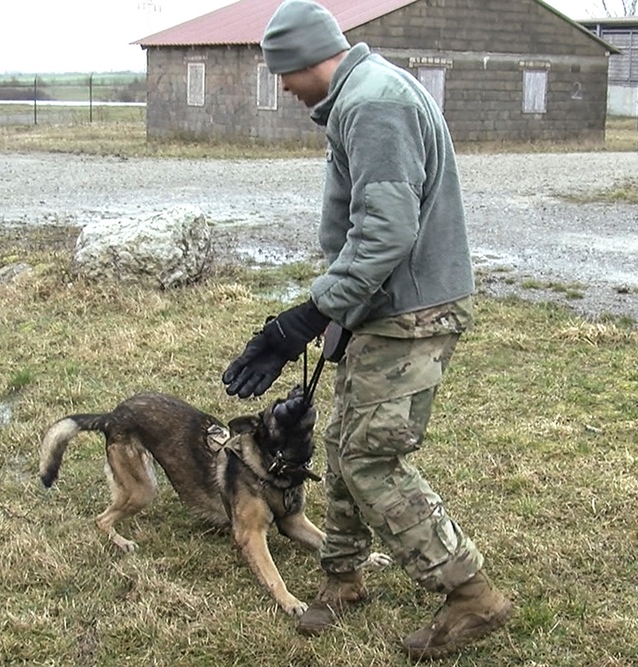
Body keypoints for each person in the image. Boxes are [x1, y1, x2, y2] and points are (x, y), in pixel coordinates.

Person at [220, 0, 511, 659]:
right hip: (381, 307)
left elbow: (385, 233)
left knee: (370, 456)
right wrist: (335, 315)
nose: (283, 88)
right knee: (341, 440)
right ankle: (343, 577)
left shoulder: (373, 103)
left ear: (305, 59)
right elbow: (368, 230)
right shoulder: (364, 94)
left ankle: (471, 592)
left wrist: (308, 316)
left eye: (282, 73)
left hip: (411, 313)